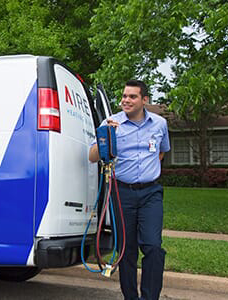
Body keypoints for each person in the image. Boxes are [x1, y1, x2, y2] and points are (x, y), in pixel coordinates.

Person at [89, 80, 170, 300]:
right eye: (124, 96)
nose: (126, 100)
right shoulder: (111, 122)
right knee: (126, 249)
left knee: (153, 246)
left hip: (151, 193)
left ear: (145, 100)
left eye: (132, 96)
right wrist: (107, 136)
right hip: (121, 192)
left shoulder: (159, 124)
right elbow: (92, 156)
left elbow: (161, 153)